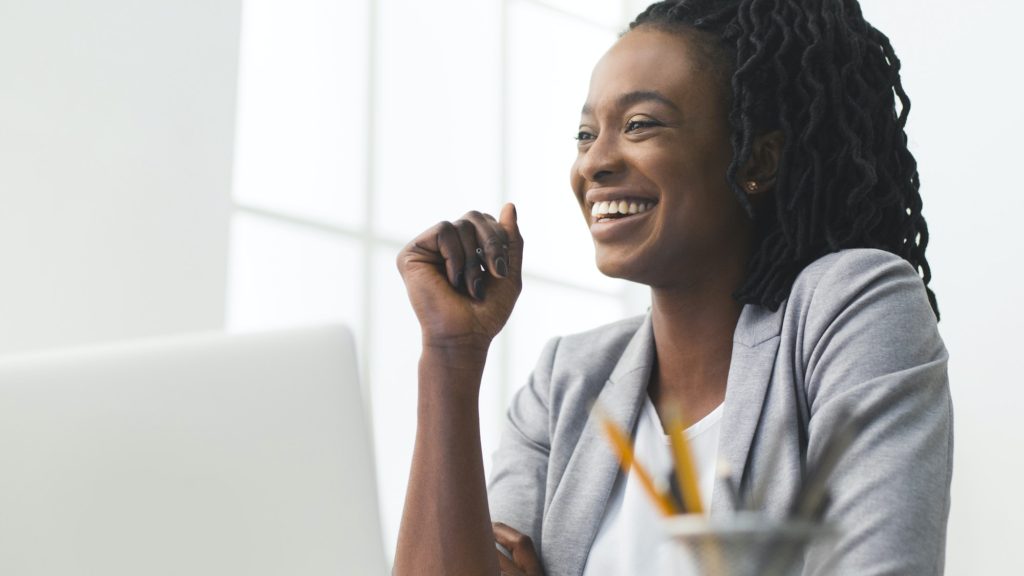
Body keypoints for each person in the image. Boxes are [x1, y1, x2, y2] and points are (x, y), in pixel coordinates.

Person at [392, 0, 952, 574]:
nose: (595, 163)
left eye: (640, 125)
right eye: (586, 134)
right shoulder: (566, 383)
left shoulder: (855, 308)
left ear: (757, 157)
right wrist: (450, 355)